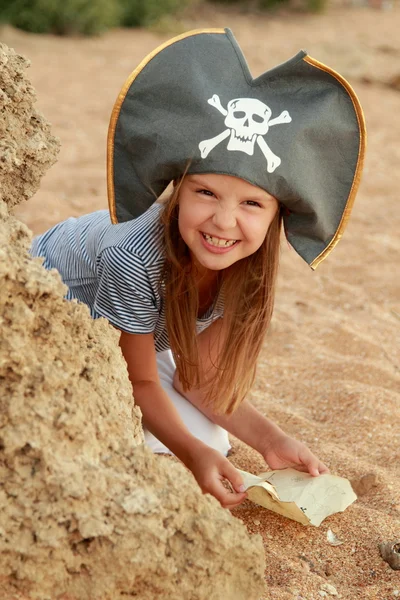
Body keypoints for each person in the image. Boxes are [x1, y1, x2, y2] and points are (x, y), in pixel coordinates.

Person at [31, 28, 366, 509]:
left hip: (133, 339)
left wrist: (270, 440)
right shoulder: (134, 256)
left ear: (276, 217)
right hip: (59, 324)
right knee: (148, 441)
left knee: (216, 439)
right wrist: (193, 455)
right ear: (177, 191)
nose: (223, 222)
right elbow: (135, 380)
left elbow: (199, 377)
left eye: (252, 203)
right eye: (205, 193)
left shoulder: (241, 264)